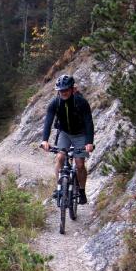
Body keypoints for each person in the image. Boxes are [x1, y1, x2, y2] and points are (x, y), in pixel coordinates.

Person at [40, 74, 94, 205]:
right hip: (64, 133)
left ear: (72, 89)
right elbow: (48, 121)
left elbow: (88, 122)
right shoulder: (55, 102)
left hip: (80, 134)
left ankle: (81, 190)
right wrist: (45, 140)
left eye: (65, 90)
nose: (63, 92)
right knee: (59, 157)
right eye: (60, 90)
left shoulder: (81, 102)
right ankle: (59, 188)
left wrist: (89, 142)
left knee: (80, 164)